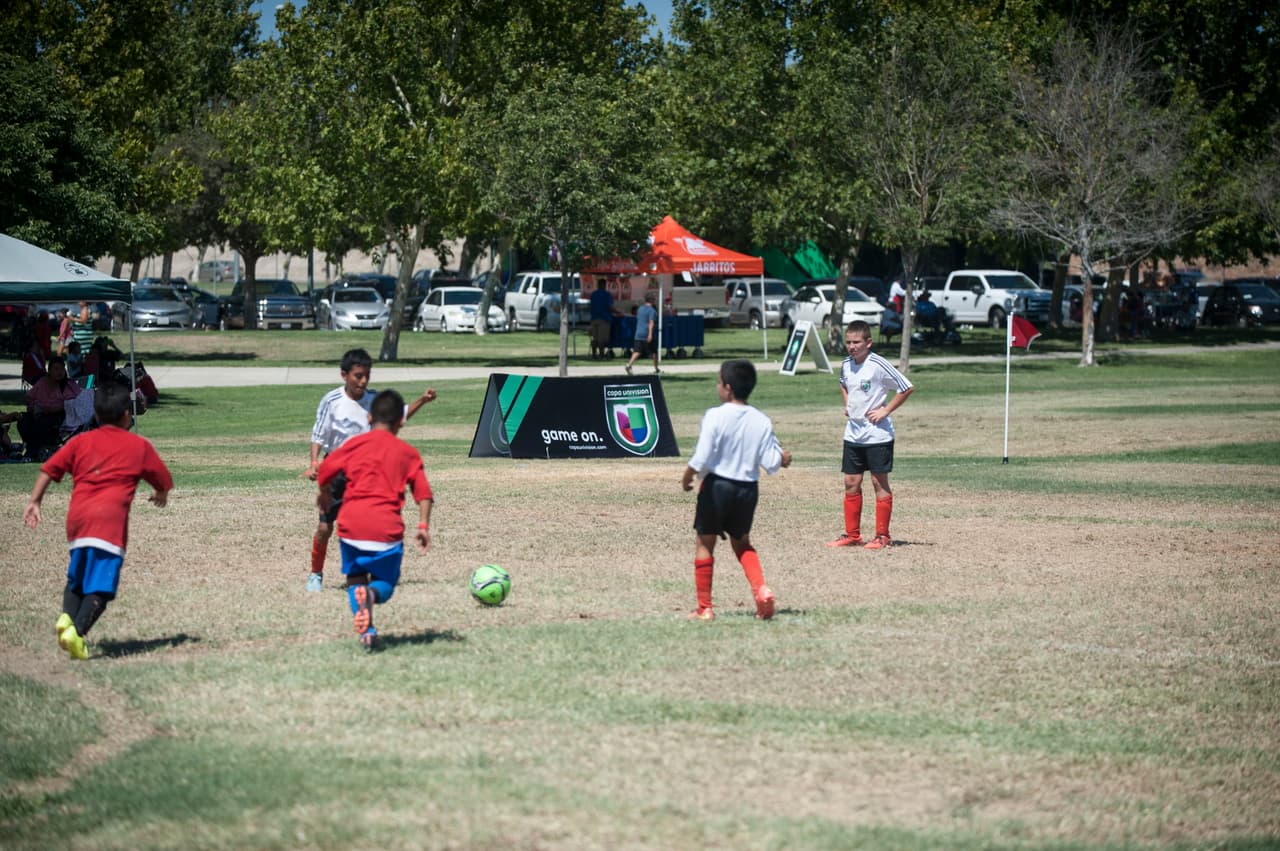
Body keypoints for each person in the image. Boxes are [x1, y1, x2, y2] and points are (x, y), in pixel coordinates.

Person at [22, 382, 173, 660]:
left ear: (96, 415)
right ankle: (76, 634)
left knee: (76, 578)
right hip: (109, 524)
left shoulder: (81, 441)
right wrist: (160, 492)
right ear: (127, 415)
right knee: (101, 588)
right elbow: (162, 478)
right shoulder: (138, 445)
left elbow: (49, 468)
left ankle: (66, 617)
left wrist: (34, 501)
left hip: (78, 521)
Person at [304, 348, 436, 592]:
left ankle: (362, 574)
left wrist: (422, 400)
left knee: (365, 520)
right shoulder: (332, 401)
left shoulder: (374, 400)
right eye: (358, 376)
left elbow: (399, 414)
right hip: (337, 468)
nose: (363, 381)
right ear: (344, 375)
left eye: (367, 375)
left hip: (365, 469)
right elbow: (318, 435)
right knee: (324, 528)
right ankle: (315, 574)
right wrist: (314, 463)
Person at [315, 389, 434, 652]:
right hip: (385, 529)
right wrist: (423, 526)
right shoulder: (407, 453)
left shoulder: (353, 445)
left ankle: (367, 633)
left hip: (350, 526)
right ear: (400, 421)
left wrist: (323, 494)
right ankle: (371, 596)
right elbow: (423, 492)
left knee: (356, 578)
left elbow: (324, 469)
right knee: (386, 585)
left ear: (369, 417)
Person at [680, 359, 792, 621]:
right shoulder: (761, 420)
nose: (717, 387)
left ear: (728, 388)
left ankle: (704, 608)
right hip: (747, 490)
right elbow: (771, 461)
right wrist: (783, 459)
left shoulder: (715, 415)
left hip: (717, 486)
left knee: (705, 543)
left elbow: (702, 456)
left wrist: (687, 478)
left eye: (718, 382)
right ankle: (761, 589)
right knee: (742, 542)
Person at [826, 320, 914, 550]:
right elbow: (843, 384)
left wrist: (885, 410)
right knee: (850, 482)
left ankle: (883, 536)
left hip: (877, 435)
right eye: (848, 342)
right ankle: (852, 535)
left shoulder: (877, 364)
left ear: (868, 342)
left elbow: (906, 387)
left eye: (856, 342)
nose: (852, 347)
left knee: (878, 481)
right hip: (853, 433)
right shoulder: (846, 364)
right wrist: (849, 405)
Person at [18, 356, 81, 460]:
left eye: (61, 369)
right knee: (23, 420)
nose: (59, 372)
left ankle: (31, 452)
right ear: (49, 371)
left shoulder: (69, 385)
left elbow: (70, 404)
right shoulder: (43, 382)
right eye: (56, 369)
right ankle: (34, 448)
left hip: (60, 417)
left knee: (42, 423)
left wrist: (47, 409)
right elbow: (29, 397)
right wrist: (33, 406)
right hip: (39, 413)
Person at [625, 291, 659, 375]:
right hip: (646, 333)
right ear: (651, 300)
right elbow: (651, 322)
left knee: (637, 351)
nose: (655, 300)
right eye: (654, 299)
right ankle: (656, 368)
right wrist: (650, 334)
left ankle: (629, 365)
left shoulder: (640, 309)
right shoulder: (652, 311)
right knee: (654, 352)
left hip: (638, 333)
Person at [588, 278, 621, 360]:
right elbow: (610, 306)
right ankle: (602, 355)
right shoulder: (607, 294)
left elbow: (590, 306)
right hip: (604, 319)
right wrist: (618, 312)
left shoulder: (593, 294)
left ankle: (594, 355)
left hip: (594, 318)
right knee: (602, 339)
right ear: (604, 285)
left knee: (595, 338)